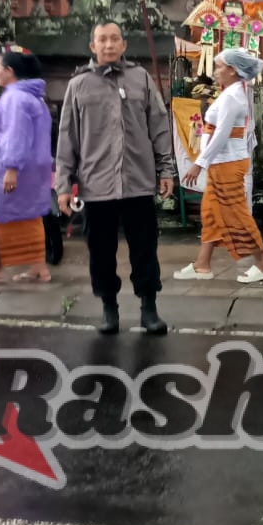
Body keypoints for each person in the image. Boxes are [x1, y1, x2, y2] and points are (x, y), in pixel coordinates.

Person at [55, 23, 175, 336]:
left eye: (114, 39)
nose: (108, 45)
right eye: (102, 40)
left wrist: (166, 170)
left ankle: (149, 308)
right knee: (101, 252)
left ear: (124, 45)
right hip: (97, 187)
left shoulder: (141, 79)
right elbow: (67, 138)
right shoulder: (79, 85)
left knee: (145, 249)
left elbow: (159, 127)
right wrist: (63, 187)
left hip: (138, 183)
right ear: (92, 46)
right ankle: (109, 308)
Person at [178, 48, 263, 283]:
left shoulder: (233, 97)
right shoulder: (232, 92)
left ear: (233, 71)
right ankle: (202, 264)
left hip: (227, 164)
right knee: (211, 213)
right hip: (222, 163)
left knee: (237, 215)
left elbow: (221, 134)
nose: (216, 71)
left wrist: (199, 164)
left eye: (220, 67)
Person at [0, 47, 54, 285]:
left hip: (14, 170)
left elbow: (17, 134)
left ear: (9, 71)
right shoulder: (30, 96)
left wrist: (12, 169)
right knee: (30, 217)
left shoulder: (15, 98)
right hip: (33, 169)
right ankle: (39, 268)